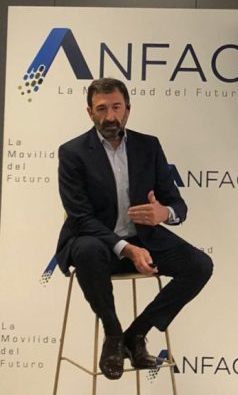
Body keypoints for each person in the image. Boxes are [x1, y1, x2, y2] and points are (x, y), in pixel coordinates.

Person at [54, 77, 213, 380]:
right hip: (96, 242)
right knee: (86, 249)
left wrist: (163, 212)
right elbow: (81, 217)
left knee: (200, 265)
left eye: (116, 107)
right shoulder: (73, 152)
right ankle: (113, 335)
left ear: (128, 109)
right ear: (90, 112)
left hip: (144, 238)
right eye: (102, 109)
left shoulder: (148, 146)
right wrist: (127, 249)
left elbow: (177, 204)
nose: (110, 116)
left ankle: (135, 334)